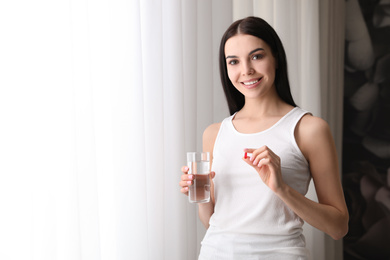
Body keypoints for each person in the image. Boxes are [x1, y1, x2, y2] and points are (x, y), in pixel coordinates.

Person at [179, 16, 349, 259]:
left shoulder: (309, 129)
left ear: (276, 58)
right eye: (234, 61)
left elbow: (338, 227)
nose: (246, 70)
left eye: (257, 56)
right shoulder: (214, 133)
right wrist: (198, 195)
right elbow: (212, 222)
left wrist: (282, 189)